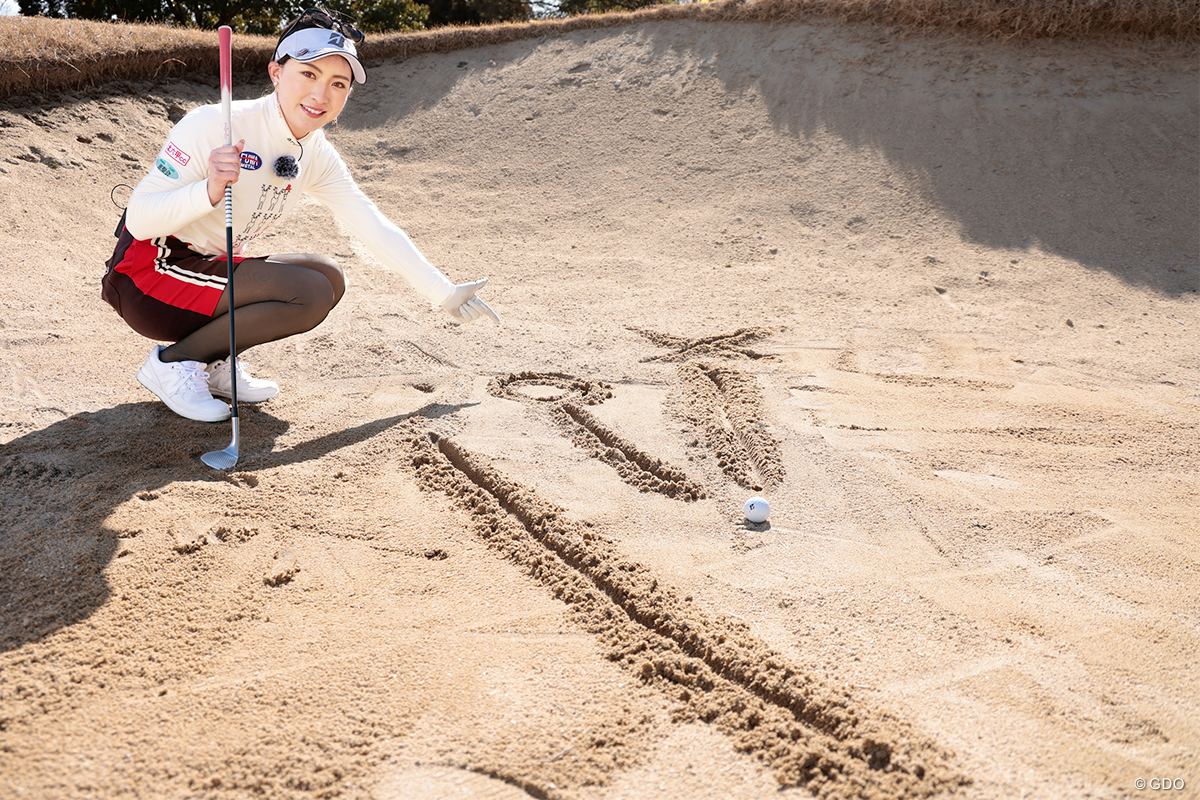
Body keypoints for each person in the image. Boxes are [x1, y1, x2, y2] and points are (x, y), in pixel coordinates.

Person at [102, 8, 498, 423]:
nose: (320, 94)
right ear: (277, 72)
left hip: (209, 271)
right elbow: (140, 220)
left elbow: (369, 222)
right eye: (309, 74)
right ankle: (173, 363)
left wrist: (443, 291)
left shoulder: (317, 154)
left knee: (328, 277)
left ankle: (214, 362)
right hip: (148, 276)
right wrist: (209, 190)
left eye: (338, 83)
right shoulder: (214, 124)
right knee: (307, 292)